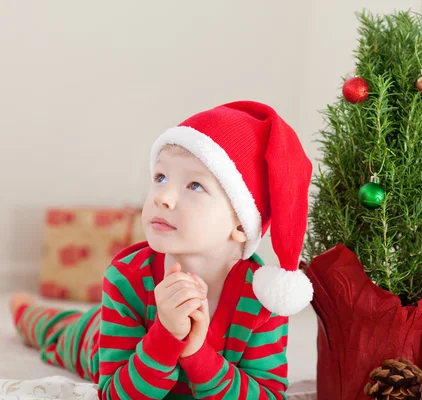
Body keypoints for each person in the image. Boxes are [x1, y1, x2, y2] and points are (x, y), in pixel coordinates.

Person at [9, 100, 314, 399]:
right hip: (96, 338)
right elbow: (116, 394)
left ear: (242, 226)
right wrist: (166, 335)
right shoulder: (126, 277)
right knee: (59, 331)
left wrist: (197, 353)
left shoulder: (261, 299)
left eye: (195, 185)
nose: (162, 196)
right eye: (160, 177)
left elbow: (268, 395)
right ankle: (24, 310)